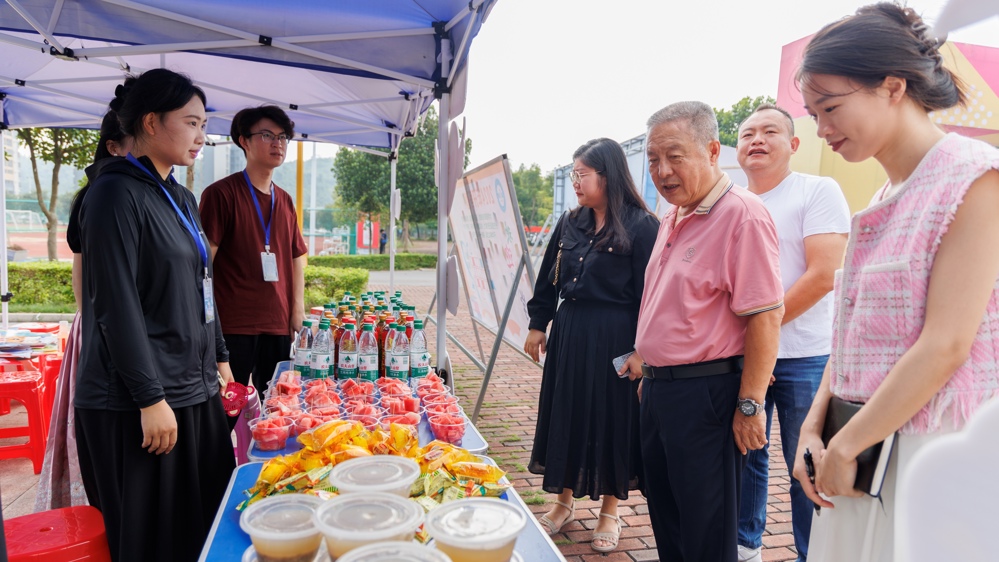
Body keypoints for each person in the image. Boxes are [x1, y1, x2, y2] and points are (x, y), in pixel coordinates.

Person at [791, 4, 999, 561]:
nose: (822, 129)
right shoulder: (883, 195)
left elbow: (947, 344)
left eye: (830, 107)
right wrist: (814, 427)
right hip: (862, 449)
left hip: (929, 453)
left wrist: (847, 443)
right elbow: (852, 336)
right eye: (813, 114)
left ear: (892, 86)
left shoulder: (974, 177)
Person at [76, 68, 236, 562]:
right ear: (150, 122)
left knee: (201, 526)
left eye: (204, 125)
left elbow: (202, 283)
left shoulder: (180, 197)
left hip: (193, 387)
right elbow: (115, 303)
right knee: (154, 541)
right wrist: (150, 397)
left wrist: (221, 357)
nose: (201, 136)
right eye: (191, 123)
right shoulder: (113, 193)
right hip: (138, 403)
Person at [619, 101, 784, 562]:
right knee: (668, 518)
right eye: (654, 159)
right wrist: (649, 366)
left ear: (712, 151)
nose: (662, 171)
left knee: (706, 531)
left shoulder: (742, 215)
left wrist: (750, 406)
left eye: (675, 156)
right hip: (660, 391)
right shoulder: (672, 214)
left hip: (706, 395)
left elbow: (765, 317)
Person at [525, 138, 659, 553]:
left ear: (608, 175)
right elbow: (550, 276)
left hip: (617, 336)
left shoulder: (642, 225)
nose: (576, 182)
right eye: (573, 174)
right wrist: (538, 323)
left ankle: (609, 512)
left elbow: (653, 296)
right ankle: (563, 503)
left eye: (582, 174)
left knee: (613, 418)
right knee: (567, 412)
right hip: (571, 332)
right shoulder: (570, 222)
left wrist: (642, 351)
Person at [735, 104, 850, 562]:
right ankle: (745, 547)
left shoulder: (817, 190)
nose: (756, 140)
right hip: (744, 356)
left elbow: (824, 275)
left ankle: (813, 553)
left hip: (805, 356)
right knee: (746, 457)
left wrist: (762, 328)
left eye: (769, 132)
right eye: (747, 134)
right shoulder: (732, 202)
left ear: (794, 144)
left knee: (806, 464)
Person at [34, 108, 133, 512]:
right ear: (114, 147)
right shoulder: (102, 195)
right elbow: (85, 275)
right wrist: (91, 323)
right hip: (100, 328)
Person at [199, 106, 307, 406]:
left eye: (283, 137)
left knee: (277, 408)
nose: (278, 143)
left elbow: (296, 258)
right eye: (267, 135)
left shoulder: (284, 200)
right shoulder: (221, 194)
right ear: (243, 141)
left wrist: (296, 309)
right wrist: (203, 320)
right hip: (232, 328)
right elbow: (203, 265)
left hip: (277, 325)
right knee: (226, 409)